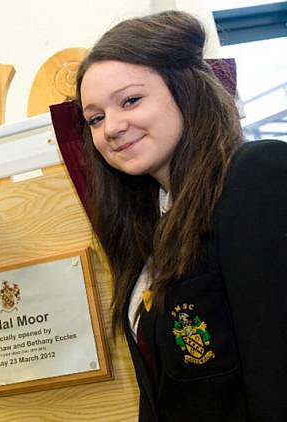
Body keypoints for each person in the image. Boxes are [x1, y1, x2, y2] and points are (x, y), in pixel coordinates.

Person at [75, 10, 287, 421]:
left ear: (184, 90)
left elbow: (277, 368)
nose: (112, 127)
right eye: (95, 119)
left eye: (131, 100)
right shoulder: (153, 228)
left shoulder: (255, 176)